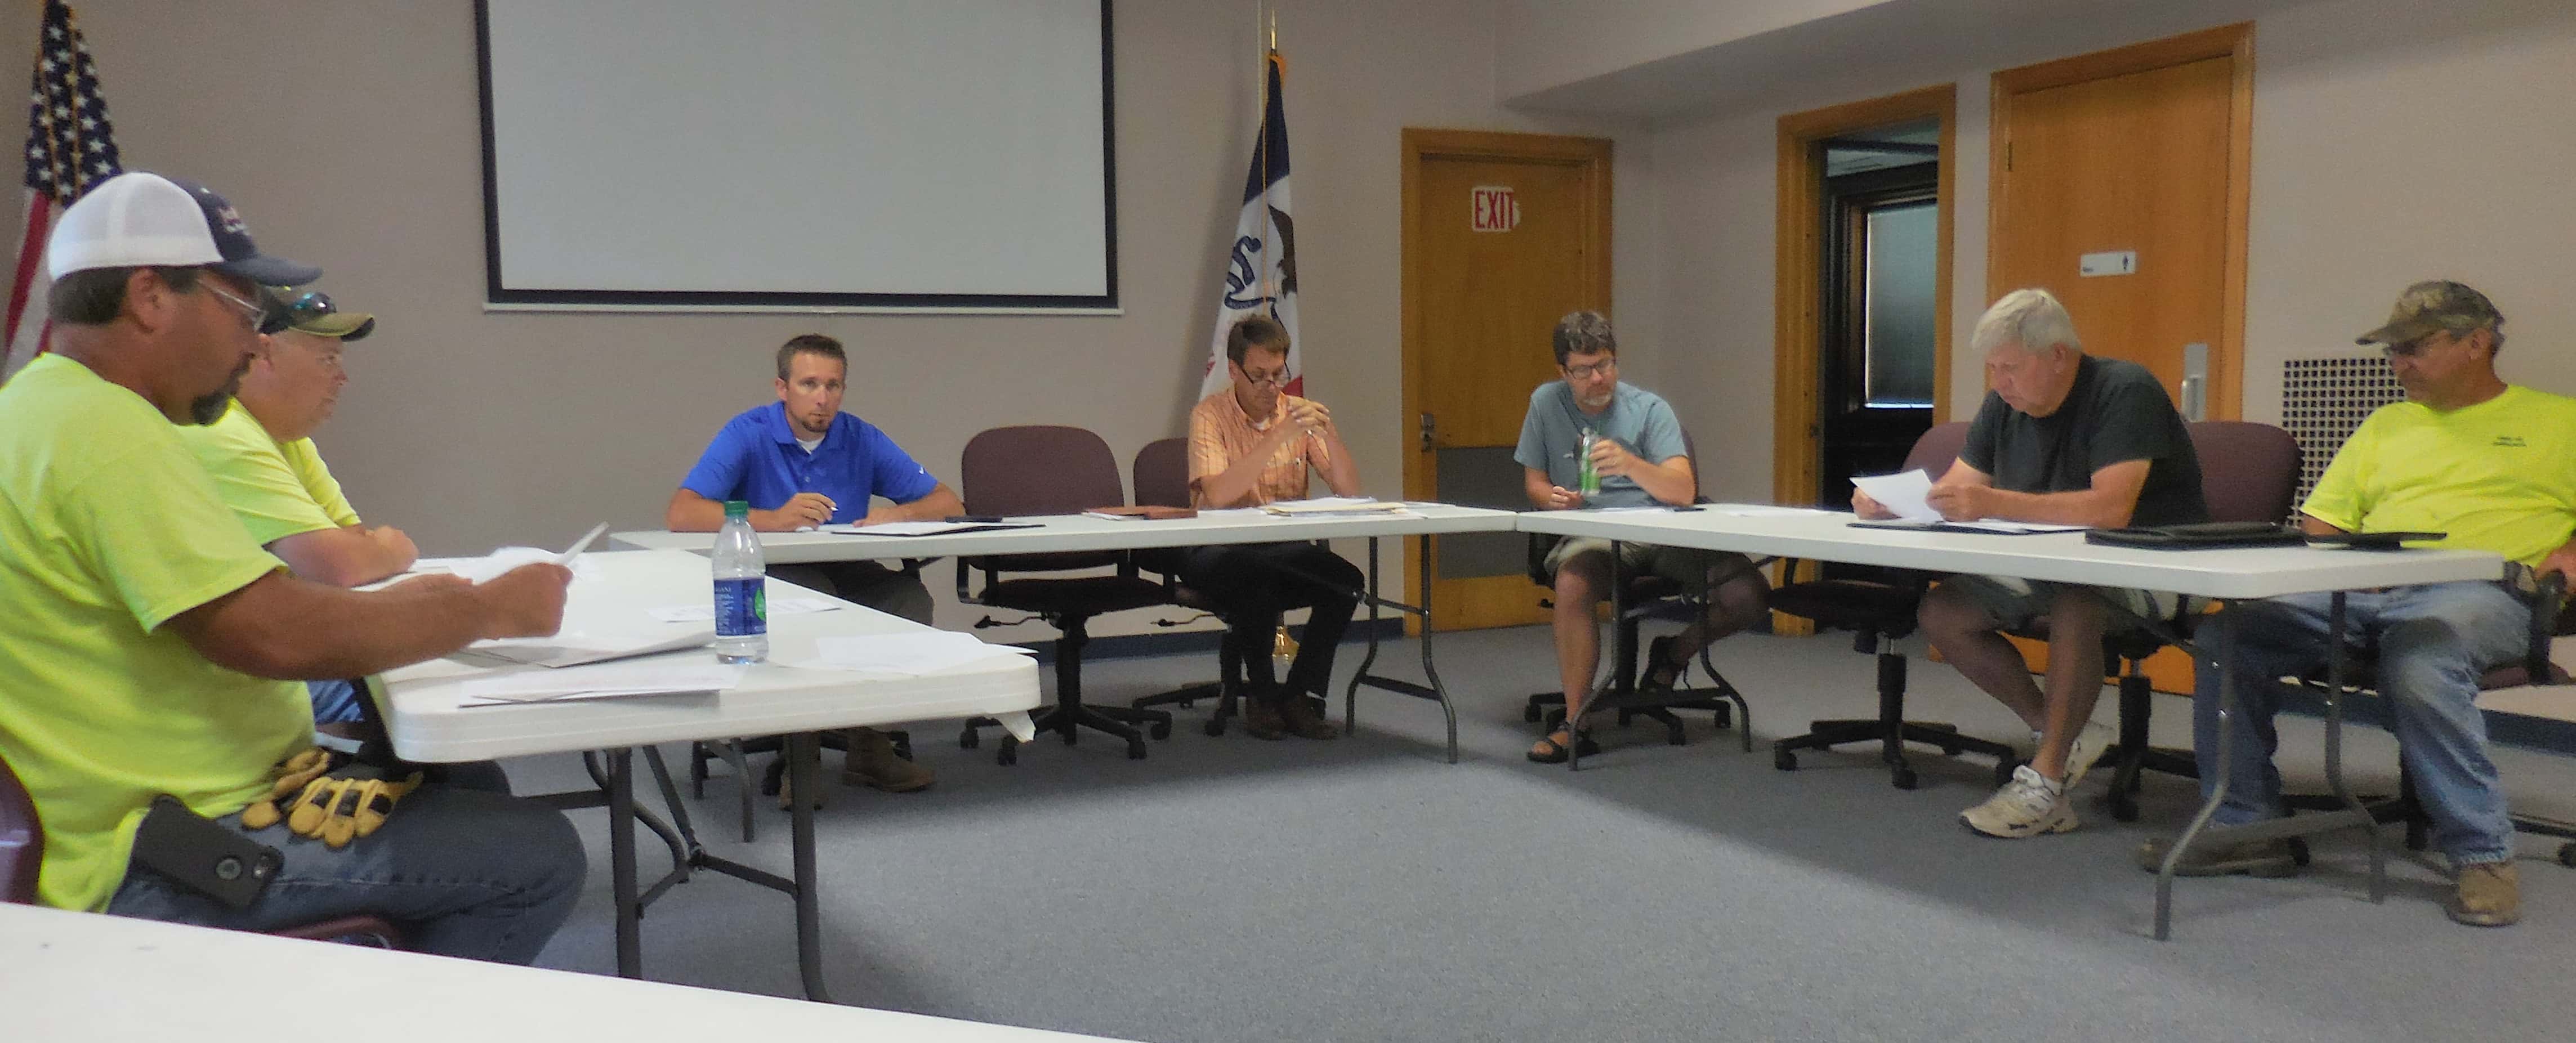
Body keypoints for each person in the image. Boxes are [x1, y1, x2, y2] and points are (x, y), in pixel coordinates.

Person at [0, 171, 583, 963]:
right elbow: (273, 632)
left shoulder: (46, 406)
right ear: (149, 297)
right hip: (154, 847)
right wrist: (485, 608)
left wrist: (437, 602)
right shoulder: (103, 431)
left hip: (168, 797)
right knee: (538, 855)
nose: (253, 343)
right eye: (242, 311)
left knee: (469, 785)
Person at [2148, 281, 2576, 927]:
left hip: (2483, 593)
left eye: (2414, 348)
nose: (2399, 364)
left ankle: (2483, 853)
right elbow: (2322, 521)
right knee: (2228, 635)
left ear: (2477, 343)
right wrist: (2346, 566)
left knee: (2420, 661)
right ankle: (2246, 824)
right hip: (2368, 587)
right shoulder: (2386, 424)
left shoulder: (2560, 421)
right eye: (2393, 351)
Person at [1859, 288, 2207, 838]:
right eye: (1993, 368)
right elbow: (1956, 489)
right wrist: (1892, 501)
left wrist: (1992, 502)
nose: (2000, 382)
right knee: (1944, 611)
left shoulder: (2124, 390)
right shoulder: (2005, 405)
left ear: (2059, 356)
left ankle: (2046, 782)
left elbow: (2111, 510)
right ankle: (2059, 731)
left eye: (2011, 367)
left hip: (2155, 564)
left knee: (2077, 599)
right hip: (2055, 563)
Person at [668, 333, 957, 793]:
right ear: (782, 388)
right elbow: (682, 512)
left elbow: (948, 502)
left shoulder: (860, 436)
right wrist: (772, 520)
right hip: (774, 570)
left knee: (907, 598)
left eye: (833, 385)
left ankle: (871, 746)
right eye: (808, 384)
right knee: (814, 600)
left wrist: (899, 514)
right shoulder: (748, 432)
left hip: (847, 566)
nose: (822, 398)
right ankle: (799, 757)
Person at [1516, 311, 1769, 763]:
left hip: (1663, 528)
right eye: (1583, 370)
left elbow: (1683, 490)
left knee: (1748, 593)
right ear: (1563, 372)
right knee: (1573, 583)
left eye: (1605, 364)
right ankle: (1576, 721)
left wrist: (1631, 463)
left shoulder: (1650, 410)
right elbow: (1533, 481)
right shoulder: (1545, 404)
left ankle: (1674, 653)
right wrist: (1550, 498)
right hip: (1594, 532)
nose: (1598, 378)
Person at [178, 288, 406, 728]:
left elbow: (352, 545)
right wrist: (392, 547)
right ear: (262, 354)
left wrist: (366, 553)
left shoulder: (284, 435)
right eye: (328, 360)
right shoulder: (220, 431)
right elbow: (340, 566)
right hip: (230, 682)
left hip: (267, 658)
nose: (342, 379)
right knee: (407, 703)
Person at [1185, 315, 1365, 740]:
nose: (1272, 387)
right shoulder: (1209, 416)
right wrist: (1275, 437)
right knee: (1256, 580)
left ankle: (1299, 693)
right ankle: (1262, 696)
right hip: (1214, 548)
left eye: (1278, 374)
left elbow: (1349, 491)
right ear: (1234, 371)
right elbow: (1218, 495)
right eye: (1260, 376)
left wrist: (1329, 433)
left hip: (1279, 547)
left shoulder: (1295, 412)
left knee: (1346, 582)